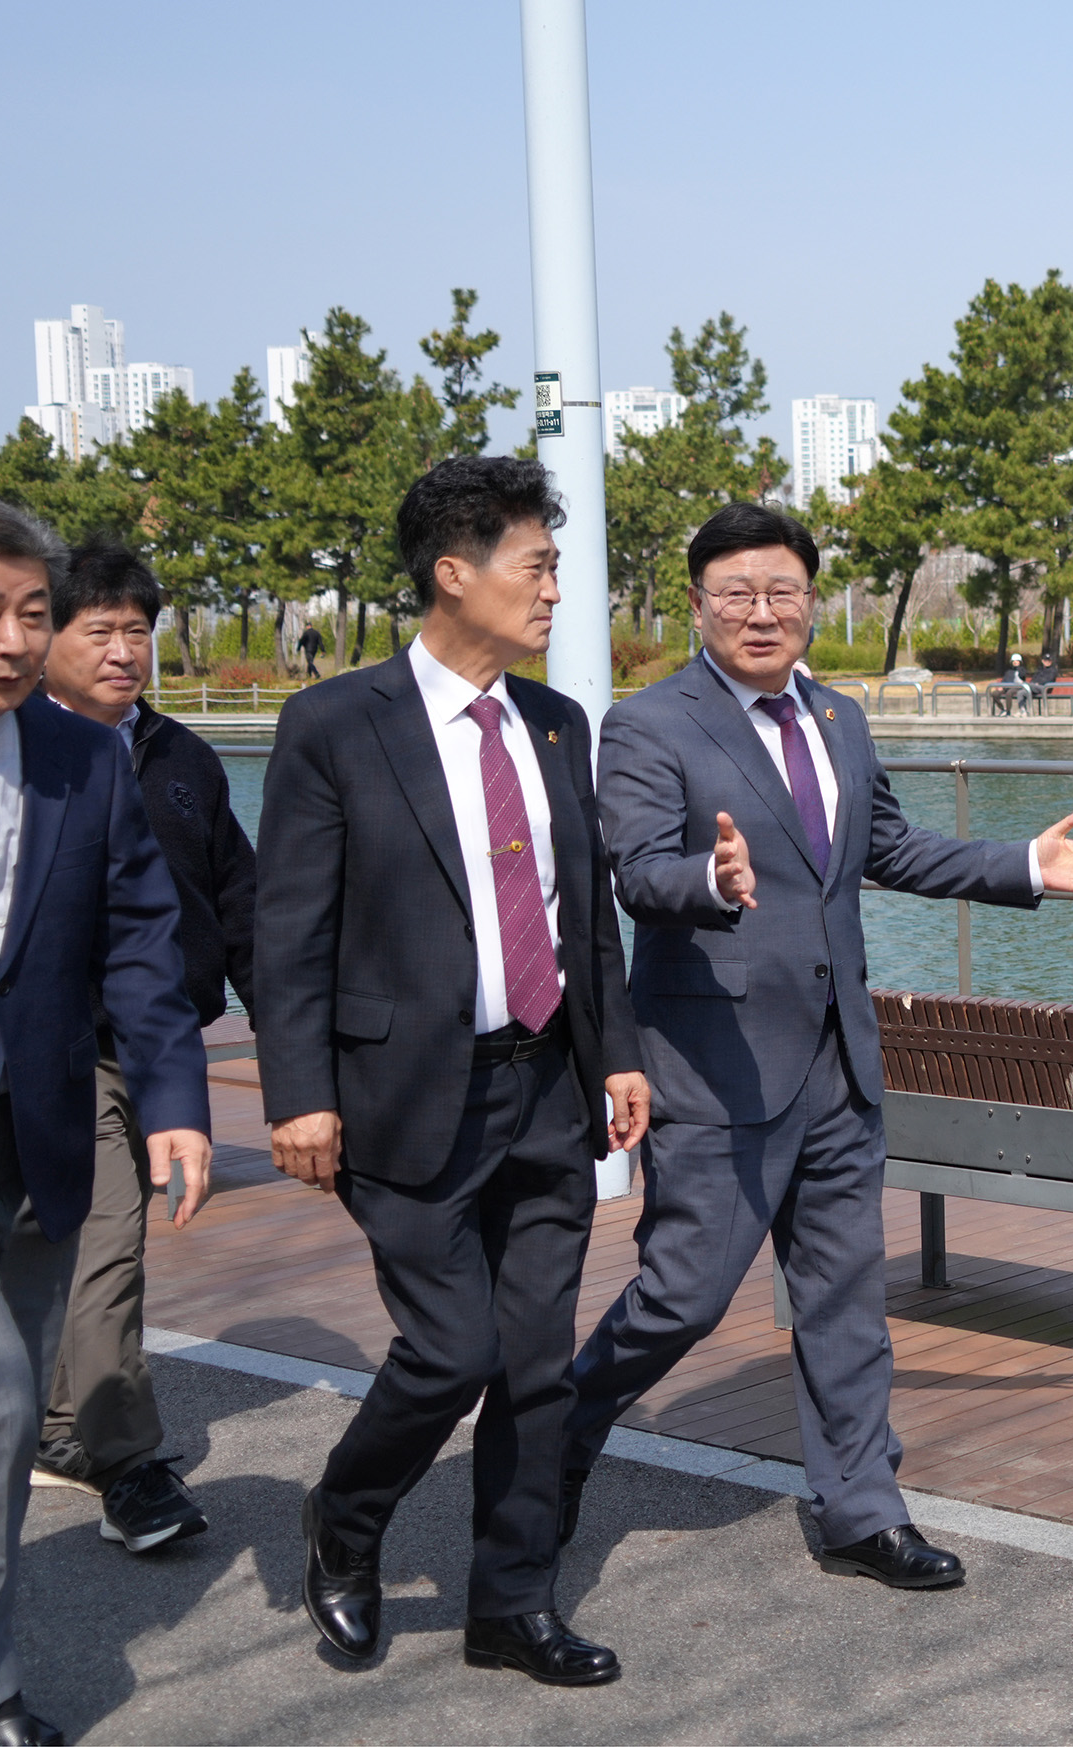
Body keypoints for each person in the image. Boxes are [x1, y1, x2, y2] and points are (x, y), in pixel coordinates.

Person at [560, 503, 1073, 1590]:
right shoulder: (648, 724)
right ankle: (554, 1440)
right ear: (695, 606)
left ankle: (862, 1510)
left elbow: (889, 848)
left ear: (812, 602)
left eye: (782, 591)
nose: (761, 613)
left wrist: (1019, 865)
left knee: (842, 1300)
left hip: (837, 1061)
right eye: (735, 593)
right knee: (682, 1293)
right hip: (717, 1063)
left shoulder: (839, 717)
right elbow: (632, 870)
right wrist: (708, 883)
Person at [253, 457, 650, 1684]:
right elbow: (290, 931)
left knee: (536, 1361)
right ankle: (347, 1519)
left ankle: (510, 1604)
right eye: (536, 569)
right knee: (452, 1349)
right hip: (404, 1091)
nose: (553, 596)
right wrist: (298, 1094)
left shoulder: (553, 722)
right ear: (453, 573)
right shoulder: (335, 724)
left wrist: (617, 1056)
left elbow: (582, 914)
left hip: (547, 1083)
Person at [0, 497, 212, 1747]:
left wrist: (175, 1102)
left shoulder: (82, 757)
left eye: (35, 614)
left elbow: (138, 939)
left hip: (44, 1139)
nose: (17, 643)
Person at [31, 537, 257, 1556]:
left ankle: (60, 1423)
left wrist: (291, 1051)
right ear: (46, 638)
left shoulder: (182, 758)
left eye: (138, 630)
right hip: (56, 1044)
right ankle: (127, 1461)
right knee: (108, 1239)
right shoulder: (16, 754)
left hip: (164, 1039)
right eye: (100, 630)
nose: (125, 650)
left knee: (71, 1248)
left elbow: (244, 906)